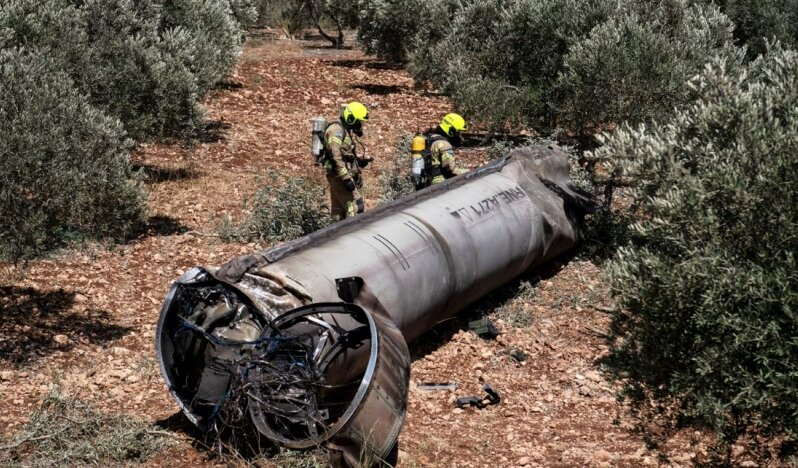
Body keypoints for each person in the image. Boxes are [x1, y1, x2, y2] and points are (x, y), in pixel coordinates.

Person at [321, 101, 370, 220]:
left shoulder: (345, 130)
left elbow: (345, 154)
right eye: (358, 121)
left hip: (341, 176)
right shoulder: (336, 131)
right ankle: (353, 234)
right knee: (356, 206)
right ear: (351, 118)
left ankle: (336, 236)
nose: (360, 125)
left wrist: (358, 162)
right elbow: (335, 156)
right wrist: (346, 178)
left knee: (339, 212)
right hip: (339, 176)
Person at [410, 113, 468, 190]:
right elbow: (451, 170)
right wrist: (470, 171)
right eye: (459, 133)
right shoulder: (444, 144)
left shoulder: (429, 139)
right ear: (451, 131)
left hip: (426, 186)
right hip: (441, 187)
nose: (460, 136)